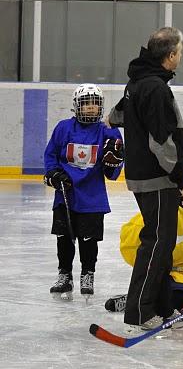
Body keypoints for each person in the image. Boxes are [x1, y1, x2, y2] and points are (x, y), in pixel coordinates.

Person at [107, 26, 183, 333]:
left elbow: (115, 116)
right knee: (157, 243)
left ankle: (161, 306)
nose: (181, 57)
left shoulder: (139, 82)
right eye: (180, 52)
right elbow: (162, 143)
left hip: (146, 177)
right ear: (169, 56)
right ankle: (140, 312)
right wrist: (182, 180)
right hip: (158, 179)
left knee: (162, 244)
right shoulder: (155, 88)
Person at [44, 84, 123, 301]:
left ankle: (88, 274)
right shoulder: (63, 128)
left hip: (92, 197)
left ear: (100, 107)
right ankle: (65, 275)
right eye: (85, 103)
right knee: (64, 237)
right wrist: (53, 173)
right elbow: (50, 155)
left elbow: (113, 173)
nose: (90, 108)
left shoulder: (109, 132)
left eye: (94, 104)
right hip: (65, 195)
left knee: (89, 240)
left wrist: (113, 164)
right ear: (77, 106)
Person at [109, 191, 183, 313]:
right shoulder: (151, 219)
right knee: (172, 304)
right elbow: (131, 249)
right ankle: (137, 299)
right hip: (172, 273)